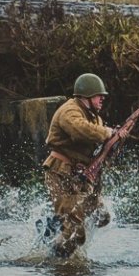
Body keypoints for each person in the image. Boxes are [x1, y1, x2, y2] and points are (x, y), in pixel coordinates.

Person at [42, 73, 117, 258]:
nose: (103, 99)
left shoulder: (94, 117)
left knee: (102, 217)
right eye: (99, 96)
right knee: (75, 233)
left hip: (80, 176)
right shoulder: (70, 111)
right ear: (86, 96)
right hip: (60, 174)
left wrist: (115, 140)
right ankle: (55, 259)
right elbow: (81, 130)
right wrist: (108, 133)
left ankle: (57, 231)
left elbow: (97, 145)